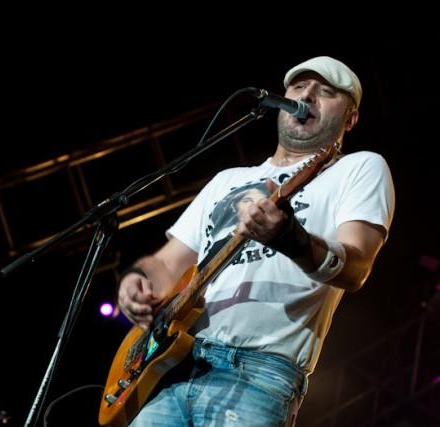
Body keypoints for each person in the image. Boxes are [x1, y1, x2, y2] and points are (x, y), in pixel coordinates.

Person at [117, 56, 395, 426]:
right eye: (299, 87)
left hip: (259, 375)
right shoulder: (226, 179)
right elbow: (166, 263)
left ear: (350, 118)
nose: (306, 96)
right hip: (178, 365)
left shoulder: (358, 168)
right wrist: (137, 280)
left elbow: (356, 267)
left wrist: (289, 237)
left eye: (326, 92)